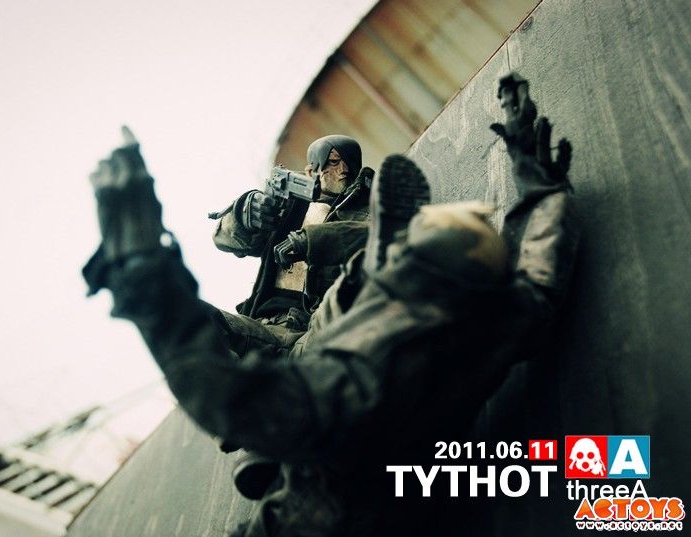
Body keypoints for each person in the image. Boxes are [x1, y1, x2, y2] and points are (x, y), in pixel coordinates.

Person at [83, 73, 578, 536]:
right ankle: (270, 439)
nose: (318, 173)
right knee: (262, 327)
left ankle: (269, 441)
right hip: (323, 400)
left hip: (322, 462)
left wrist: (143, 270)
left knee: (333, 305)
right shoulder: (486, 328)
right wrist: (542, 189)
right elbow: (539, 285)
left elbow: (228, 397)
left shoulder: (357, 376)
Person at [208, 135, 429, 358]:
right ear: (311, 169)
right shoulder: (288, 209)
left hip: (315, 330)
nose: (343, 170)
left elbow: (387, 238)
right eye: (333, 162)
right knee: (200, 318)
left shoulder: (369, 209)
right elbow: (225, 240)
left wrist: (311, 240)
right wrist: (244, 215)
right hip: (261, 326)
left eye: (349, 162)